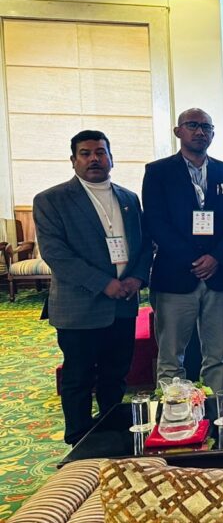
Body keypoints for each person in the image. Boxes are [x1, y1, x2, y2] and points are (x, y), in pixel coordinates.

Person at [33, 130, 152, 444]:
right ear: (73, 160)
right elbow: (56, 254)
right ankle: (79, 439)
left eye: (100, 152)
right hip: (80, 307)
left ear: (111, 158)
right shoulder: (51, 200)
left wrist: (137, 278)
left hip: (123, 304)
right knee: (79, 377)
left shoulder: (128, 198)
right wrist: (104, 284)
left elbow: (142, 245)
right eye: (85, 153)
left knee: (116, 375)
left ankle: (111, 431)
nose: (94, 159)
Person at [143, 108, 223, 393]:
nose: (200, 132)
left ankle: (215, 412)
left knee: (218, 355)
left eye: (206, 127)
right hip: (175, 276)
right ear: (178, 131)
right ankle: (174, 420)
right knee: (171, 358)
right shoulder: (158, 172)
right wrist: (193, 259)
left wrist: (215, 257)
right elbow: (155, 222)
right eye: (192, 125)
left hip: (219, 275)